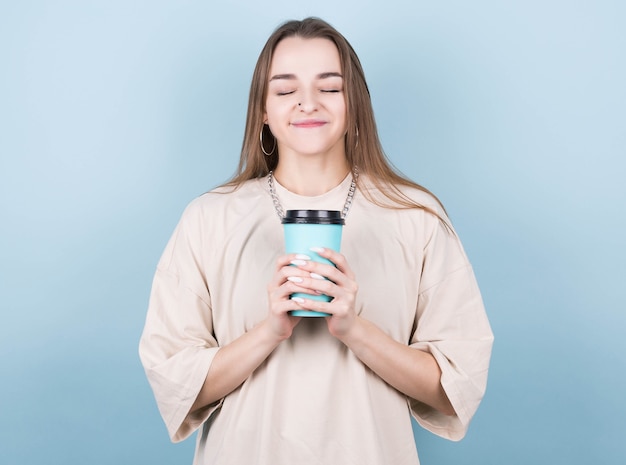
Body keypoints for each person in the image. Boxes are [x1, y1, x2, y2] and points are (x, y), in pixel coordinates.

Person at [139, 17, 493, 465]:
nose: (308, 103)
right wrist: (270, 331)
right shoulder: (208, 219)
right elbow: (174, 384)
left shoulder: (416, 216)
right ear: (263, 111)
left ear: (355, 104)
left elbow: (453, 387)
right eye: (286, 90)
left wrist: (354, 329)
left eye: (329, 87)